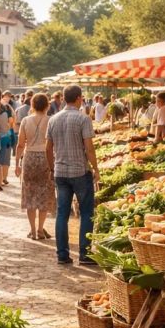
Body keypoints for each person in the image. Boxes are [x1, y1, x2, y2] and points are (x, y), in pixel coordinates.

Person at [46, 85, 99, 265]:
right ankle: (84, 254)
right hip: (80, 172)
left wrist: (52, 168)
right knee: (86, 213)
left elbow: (48, 147)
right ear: (78, 98)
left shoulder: (53, 119)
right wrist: (96, 168)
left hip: (60, 172)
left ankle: (62, 254)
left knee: (62, 213)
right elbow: (89, 148)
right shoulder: (83, 119)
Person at [16, 93, 55, 240]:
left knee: (30, 193)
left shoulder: (26, 120)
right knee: (44, 193)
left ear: (32, 105)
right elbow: (53, 143)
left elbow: (20, 144)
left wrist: (17, 164)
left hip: (30, 158)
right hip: (46, 157)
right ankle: (40, 229)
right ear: (47, 105)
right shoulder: (51, 120)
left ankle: (32, 230)